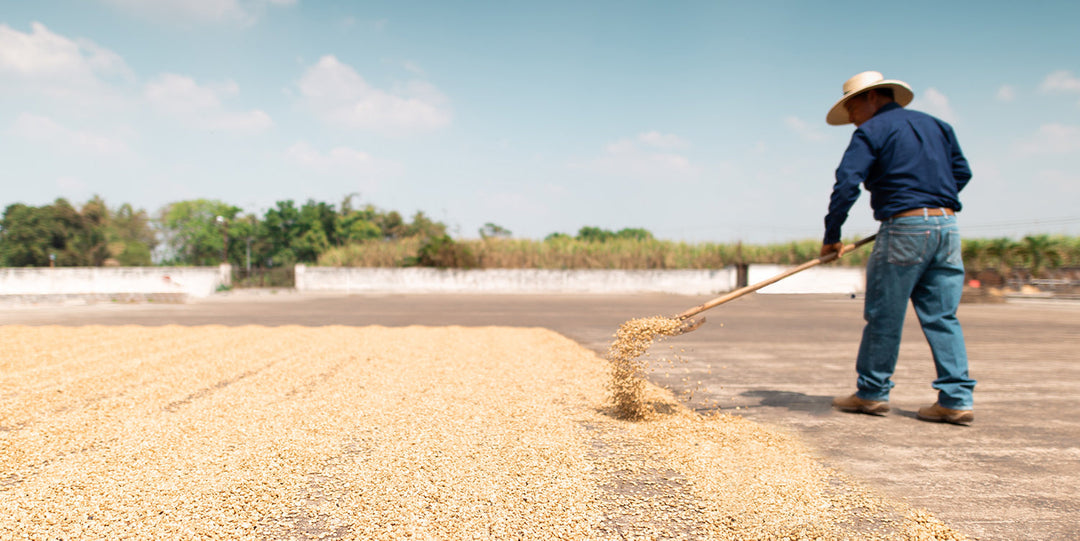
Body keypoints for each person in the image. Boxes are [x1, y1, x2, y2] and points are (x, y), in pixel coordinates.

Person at [822, 71, 976, 425]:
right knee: (942, 316)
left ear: (872, 98)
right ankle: (956, 399)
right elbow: (961, 173)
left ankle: (872, 393)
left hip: (904, 228)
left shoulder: (871, 131)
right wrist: (931, 203)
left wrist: (832, 235)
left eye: (852, 107)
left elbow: (847, 183)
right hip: (947, 225)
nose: (851, 117)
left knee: (884, 314)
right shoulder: (938, 126)